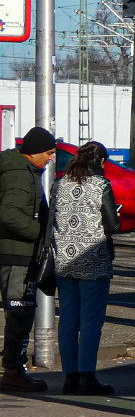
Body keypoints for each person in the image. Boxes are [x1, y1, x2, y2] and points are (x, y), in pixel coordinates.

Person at [52, 141, 119, 396]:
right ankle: (87, 377)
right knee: (91, 321)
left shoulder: (59, 185)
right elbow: (112, 225)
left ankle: (69, 378)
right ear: (100, 161)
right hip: (94, 260)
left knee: (68, 318)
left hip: (65, 260)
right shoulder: (101, 186)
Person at [0, 126, 56, 392]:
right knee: (19, 313)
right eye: (48, 152)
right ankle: (12, 370)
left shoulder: (23, 171)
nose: (51, 158)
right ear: (33, 153)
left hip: (14, 253)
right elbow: (9, 215)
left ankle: (13, 369)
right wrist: (38, 235)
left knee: (18, 313)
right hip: (17, 255)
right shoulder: (21, 176)